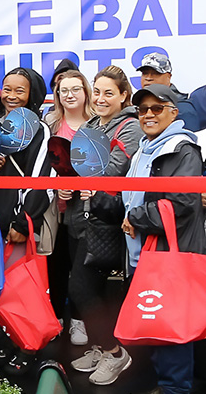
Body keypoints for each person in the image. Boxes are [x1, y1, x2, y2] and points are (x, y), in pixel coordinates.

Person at [91, 84, 204, 394]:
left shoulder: (183, 149)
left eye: (157, 108)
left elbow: (182, 202)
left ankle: (175, 389)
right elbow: (132, 203)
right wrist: (101, 202)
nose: (148, 115)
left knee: (172, 335)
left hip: (170, 257)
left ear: (174, 112)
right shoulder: (144, 149)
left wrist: (136, 219)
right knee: (156, 330)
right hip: (143, 258)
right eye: (143, 109)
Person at [67, 65, 144, 386]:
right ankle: (101, 347)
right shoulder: (94, 124)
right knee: (90, 288)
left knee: (81, 288)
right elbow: (79, 167)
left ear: (124, 95)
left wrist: (89, 180)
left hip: (112, 219)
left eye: (108, 92)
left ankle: (114, 353)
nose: (100, 98)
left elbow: (114, 170)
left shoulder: (130, 127)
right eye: (96, 91)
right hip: (86, 216)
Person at [0, 67, 52, 375]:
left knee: (24, 290)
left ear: (33, 95)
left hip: (18, 227)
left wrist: (22, 222)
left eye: (20, 91)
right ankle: (10, 339)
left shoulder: (40, 130)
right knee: (0, 290)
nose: (11, 97)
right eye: (7, 89)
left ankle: (29, 348)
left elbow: (42, 180)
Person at [45, 69, 94, 346]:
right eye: (64, 90)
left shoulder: (96, 125)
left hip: (85, 211)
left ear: (85, 92)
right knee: (56, 266)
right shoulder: (50, 124)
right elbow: (43, 165)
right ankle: (56, 319)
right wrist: (55, 186)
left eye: (75, 89)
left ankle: (78, 321)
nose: (69, 95)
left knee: (80, 270)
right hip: (56, 211)